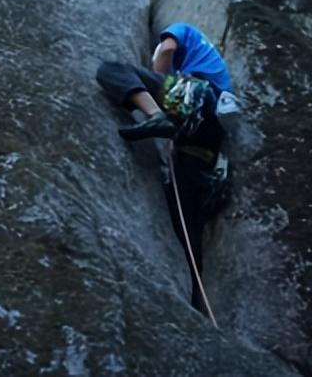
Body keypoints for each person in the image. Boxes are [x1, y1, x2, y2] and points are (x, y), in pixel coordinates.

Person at [96, 22, 234, 314]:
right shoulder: (209, 62)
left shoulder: (182, 30)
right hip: (205, 138)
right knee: (184, 216)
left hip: (194, 100)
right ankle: (197, 299)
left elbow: (167, 50)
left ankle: (156, 116)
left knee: (111, 69)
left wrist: (161, 89)